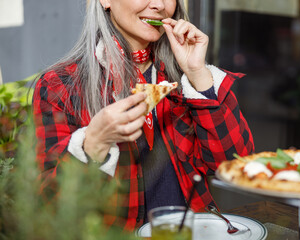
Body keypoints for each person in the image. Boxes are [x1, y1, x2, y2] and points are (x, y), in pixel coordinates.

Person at [32, 0, 254, 231]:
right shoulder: (61, 86)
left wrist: (198, 74)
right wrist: (93, 144)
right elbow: (51, 206)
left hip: (190, 232)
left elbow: (235, 167)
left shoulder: (182, 77)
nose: (159, 4)